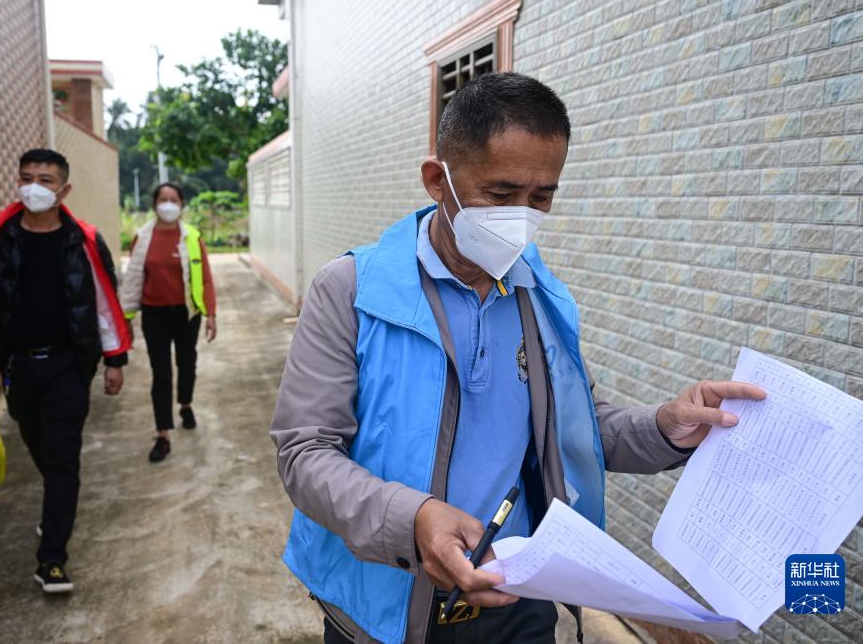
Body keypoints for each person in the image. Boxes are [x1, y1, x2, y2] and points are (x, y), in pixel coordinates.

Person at [270, 73, 766, 643]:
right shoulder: (353, 291)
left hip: (520, 603)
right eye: (501, 194)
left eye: (541, 197)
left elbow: (574, 431)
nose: (521, 217)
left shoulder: (541, 299)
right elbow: (305, 452)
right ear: (438, 180)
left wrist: (664, 428)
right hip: (386, 610)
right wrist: (414, 521)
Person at [0, 148, 131, 594]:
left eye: (45, 180)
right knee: (39, 444)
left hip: (69, 365)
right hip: (18, 364)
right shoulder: (0, 236)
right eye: (27, 177)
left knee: (63, 456)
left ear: (63, 190)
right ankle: (57, 510)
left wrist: (115, 359)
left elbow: (103, 302)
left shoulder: (83, 240)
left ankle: (52, 558)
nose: (34, 186)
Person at [120, 183, 217, 463]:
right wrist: (126, 317)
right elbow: (133, 279)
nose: (168, 204)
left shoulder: (192, 237)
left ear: (182, 205)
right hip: (154, 315)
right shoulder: (142, 238)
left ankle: (185, 404)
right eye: (163, 199)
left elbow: (205, 277)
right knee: (160, 373)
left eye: (174, 199)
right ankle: (163, 434)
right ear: (154, 205)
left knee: (187, 363)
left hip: (186, 314)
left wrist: (211, 314)